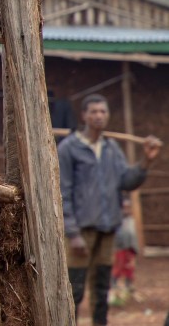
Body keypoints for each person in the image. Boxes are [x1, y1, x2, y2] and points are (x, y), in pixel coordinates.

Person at [58, 94, 162, 326]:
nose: (99, 116)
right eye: (94, 111)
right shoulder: (69, 149)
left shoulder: (111, 149)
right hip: (80, 231)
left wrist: (146, 161)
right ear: (84, 115)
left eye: (103, 112)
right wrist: (72, 232)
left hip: (107, 229)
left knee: (101, 288)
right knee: (74, 288)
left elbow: (126, 181)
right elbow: (62, 191)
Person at [111, 198, 138, 305]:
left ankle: (129, 287)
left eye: (128, 208)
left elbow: (133, 235)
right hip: (120, 248)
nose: (126, 210)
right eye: (124, 208)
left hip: (130, 249)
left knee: (129, 268)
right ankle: (114, 286)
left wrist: (135, 248)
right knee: (118, 267)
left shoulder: (131, 220)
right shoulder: (117, 221)